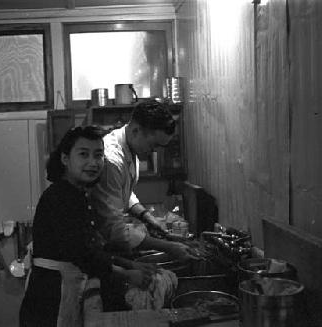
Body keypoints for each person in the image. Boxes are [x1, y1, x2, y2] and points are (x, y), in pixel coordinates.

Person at [19, 126, 155, 327]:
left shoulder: (78, 193)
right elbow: (81, 254)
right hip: (51, 295)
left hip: (63, 289)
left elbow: (91, 248)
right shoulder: (60, 197)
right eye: (84, 154)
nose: (93, 163)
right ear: (65, 159)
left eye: (98, 155)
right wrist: (127, 274)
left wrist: (131, 264)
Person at [91, 100, 197, 260]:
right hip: (96, 249)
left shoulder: (131, 146)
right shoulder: (111, 160)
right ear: (136, 130)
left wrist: (147, 217)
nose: (154, 151)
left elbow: (124, 191)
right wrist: (169, 246)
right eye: (153, 144)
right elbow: (115, 230)